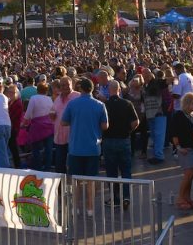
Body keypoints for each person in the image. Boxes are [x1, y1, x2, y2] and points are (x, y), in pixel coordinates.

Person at [61, 78, 109, 218]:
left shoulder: (72, 103)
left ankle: (76, 207)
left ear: (81, 88)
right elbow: (105, 126)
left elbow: (63, 122)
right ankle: (90, 208)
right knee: (90, 180)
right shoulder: (100, 105)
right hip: (93, 147)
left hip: (76, 147)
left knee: (75, 180)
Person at [103, 79, 139, 209]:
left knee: (111, 172)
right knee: (126, 170)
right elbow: (136, 122)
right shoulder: (127, 103)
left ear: (108, 90)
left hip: (108, 140)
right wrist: (128, 130)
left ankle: (115, 198)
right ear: (119, 89)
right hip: (124, 140)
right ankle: (126, 197)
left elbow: (101, 124)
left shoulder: (104, 105)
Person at [171, 93, 193, 211]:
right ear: (187, 103)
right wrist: (178, 147)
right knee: (188, 175)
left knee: (191, 175)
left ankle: (187, 198)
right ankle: (180, 198)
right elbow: (174, 133)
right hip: (186, 150)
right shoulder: (179, 115)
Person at [22, 81, 54, 171]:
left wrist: (23, 123)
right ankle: (48, 168)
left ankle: (38, 168)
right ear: (46, 90)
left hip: (37, 127)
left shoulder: (33, 98)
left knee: (36, 149)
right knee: (48, 150)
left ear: (37, 90)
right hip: (49, 127)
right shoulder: (49, 99)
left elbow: (28, 114)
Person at [51, 77, 81, 172]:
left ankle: (74, 186)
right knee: (59, 165)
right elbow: (53, 115)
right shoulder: (57, 99)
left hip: (73, 136)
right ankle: (61, 186)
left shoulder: (78, 96)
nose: (65, 87)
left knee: (74, 165)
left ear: (72, 84)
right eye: (63, 85)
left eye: (67, 84)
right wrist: (52, 116)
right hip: (60, 137)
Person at [144, 71, 168, 165]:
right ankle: (156, 155)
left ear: (150, 76)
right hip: (151, 113)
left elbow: (168, 81)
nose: (145, 77)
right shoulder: (146, 86)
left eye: (146, 75)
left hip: (159, 113)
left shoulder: (156, 83)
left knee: (158, 135)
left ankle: (159, 156)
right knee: (155, 135)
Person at [4, 84, 24, 169]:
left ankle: (17, 165)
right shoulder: (9, 102)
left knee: (14, 147)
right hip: (10, 127)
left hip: (14, 127)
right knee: (12, 147)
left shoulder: (18, 103)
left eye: (12, 92)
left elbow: (14, 116)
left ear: (16, 93)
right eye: (9, 92)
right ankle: (15, 164)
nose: (10, 94)